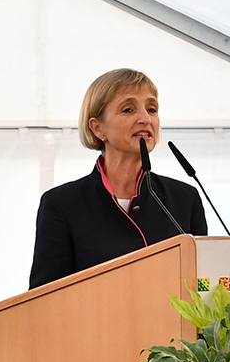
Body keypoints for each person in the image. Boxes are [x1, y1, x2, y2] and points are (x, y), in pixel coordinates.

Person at [29, 68, 207, 289]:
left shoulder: (184, 198)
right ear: (97, 128)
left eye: (152, 109)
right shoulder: (62, 204)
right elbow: (43, 300)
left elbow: (202, 288)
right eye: (128, 109)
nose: (145, 119)